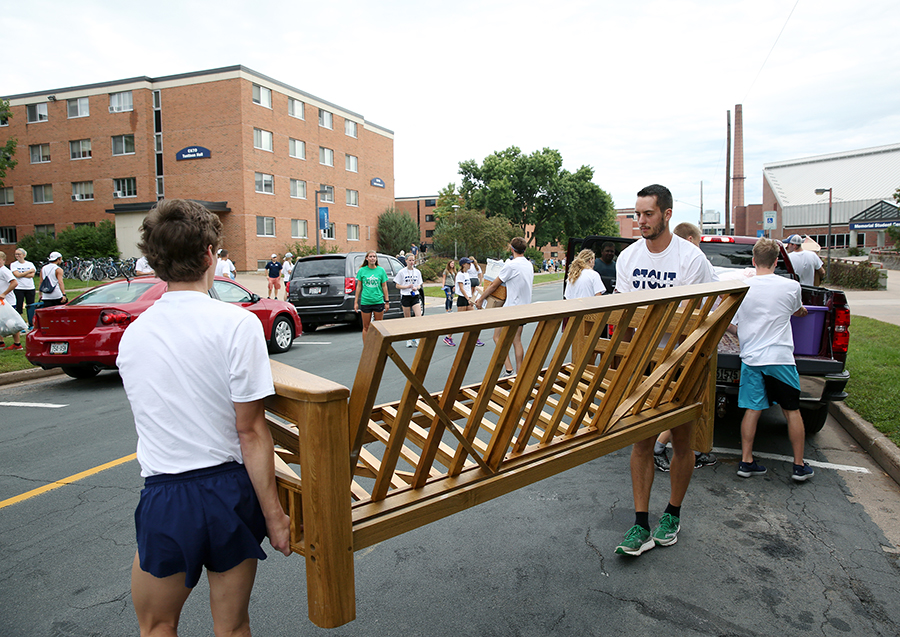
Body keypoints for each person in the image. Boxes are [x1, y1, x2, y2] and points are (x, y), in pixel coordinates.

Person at [116, 199, 290, 636]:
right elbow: (250, 430)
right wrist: (274, 516)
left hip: (166, 494)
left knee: (157, 625)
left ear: (154, 260)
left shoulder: (133, 335)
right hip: (228, 493)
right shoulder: (237, 324)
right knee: (231, 627)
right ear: (211, 253)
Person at [612, 184, 718, 557]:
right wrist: (620, 362)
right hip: (643, 361)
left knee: (683, 442)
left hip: (684, 362)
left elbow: (692, 320)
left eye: (648, 214)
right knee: (641, 440)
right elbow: (626, 315)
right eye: (637, 214)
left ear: (667, 214)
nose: (640, 221)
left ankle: (672, 514)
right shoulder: (628, 258)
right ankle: (640, 523)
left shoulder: (690, 259)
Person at [729, 237, 815, 482]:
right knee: (792, 411)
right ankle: (799, 466)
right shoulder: (791, 287)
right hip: (780, 357)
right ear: (776, 261)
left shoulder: (742, 287)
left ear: (754, 260)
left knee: (752, 410)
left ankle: (746, 461)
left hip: (751, 357)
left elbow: (732, 326)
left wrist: (744, 333)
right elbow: (797, 310)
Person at [652, 221, 718, 472]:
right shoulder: (698, 262)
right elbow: (708, 302)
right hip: (688, 343)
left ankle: (674, 446)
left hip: (659, 347)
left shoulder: (665, 263)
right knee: (686, 397)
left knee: (670, 396)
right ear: (690, 240)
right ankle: (664, 446)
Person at [479, 237, 534, 376]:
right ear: (525, 249)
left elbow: (494, 285)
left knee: (497, 337)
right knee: (517, 340)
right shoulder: (529, 265)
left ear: (511, 249)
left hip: (511, 308)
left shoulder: (511, 265)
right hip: (524, 307)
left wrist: (480, 299)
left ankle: (509, 369)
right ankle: (520, 373)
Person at [354, 250, 389, 341]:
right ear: (367, 258)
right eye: (370, 256)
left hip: (378, 300)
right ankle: (366, 348)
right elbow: (358, 287)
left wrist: (387, 301)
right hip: (366, 301)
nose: (372, 258)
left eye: (374, 256)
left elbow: (384, 286)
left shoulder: (380, 270)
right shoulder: (362, 270)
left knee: (379, 326)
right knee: (366, 326)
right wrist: (356, 302)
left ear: (376, 259)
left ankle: (378, 346)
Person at [449, 258, 484, 347]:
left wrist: (472, 298)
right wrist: (467, 298)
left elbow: (468, 288)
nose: (470, 265)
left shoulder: (467, 274)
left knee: (473, 318)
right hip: (462, 298)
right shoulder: (460, 275)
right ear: (463, 264)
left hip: (468, 298)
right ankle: (448, 337)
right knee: (459, 320)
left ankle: (474, 338)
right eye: (468, 263)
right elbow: (461, 288)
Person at [395, 253, 423, 348]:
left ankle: (418, 337)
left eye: (413, 260)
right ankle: (409, 338)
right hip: (406, 296)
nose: (411, 262)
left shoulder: (417, 272)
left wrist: (416, 288)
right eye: (410, 260)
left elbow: (419, 284)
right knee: (407, 318)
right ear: (406, 261)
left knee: (418, 316)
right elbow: (397, 285)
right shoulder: (402, 272)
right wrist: (406, 286)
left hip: (415, 296)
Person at [0, 251, 22, 350]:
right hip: (1, 302)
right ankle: (1, 342)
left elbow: (14, 283)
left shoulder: (4, 270)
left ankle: (17, 344)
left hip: (8, 301)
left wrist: (4, 293)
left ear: (4, 260)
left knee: (11, 323)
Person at [10, 248, 36, 330]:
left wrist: (21, 274)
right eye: (16, 254)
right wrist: (28, 272)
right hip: (19, 288)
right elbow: (16, 275)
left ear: (24, 255)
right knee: (19, 306)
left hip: (30, 287)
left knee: (30, 306)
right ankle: (20, 325)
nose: (17, 256)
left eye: (19, 254)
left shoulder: (30, 264)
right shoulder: (13, 264)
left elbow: (32, 275)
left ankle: (31, 324)